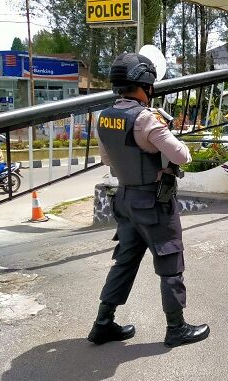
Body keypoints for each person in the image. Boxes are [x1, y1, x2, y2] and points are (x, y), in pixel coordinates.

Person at [89, 52, 209, 348]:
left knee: (124, 262)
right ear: (146, 85)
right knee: (170, 260)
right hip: (153, 203)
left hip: (125, 199)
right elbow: (182, 155)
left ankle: (103, 323)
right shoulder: (146, 119)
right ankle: (176, 328)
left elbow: (107, 159)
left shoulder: (103, 117)